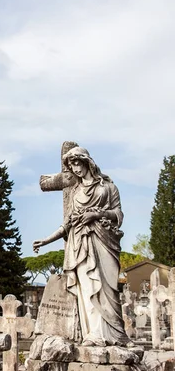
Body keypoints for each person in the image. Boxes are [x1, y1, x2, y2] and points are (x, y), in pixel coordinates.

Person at [33, 146, 130, 346]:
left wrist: (97, 214)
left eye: (77, 163)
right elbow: (67, 225)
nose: (76, 169)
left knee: (108, 288)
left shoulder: (108, 187)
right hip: (80, 245)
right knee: (87, 289)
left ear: (87, 162)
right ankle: (93, 334)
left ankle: (116, 335)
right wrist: (45, 240)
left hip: (104, 242)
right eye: (72, 165)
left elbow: (118, 215)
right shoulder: (76, 193)